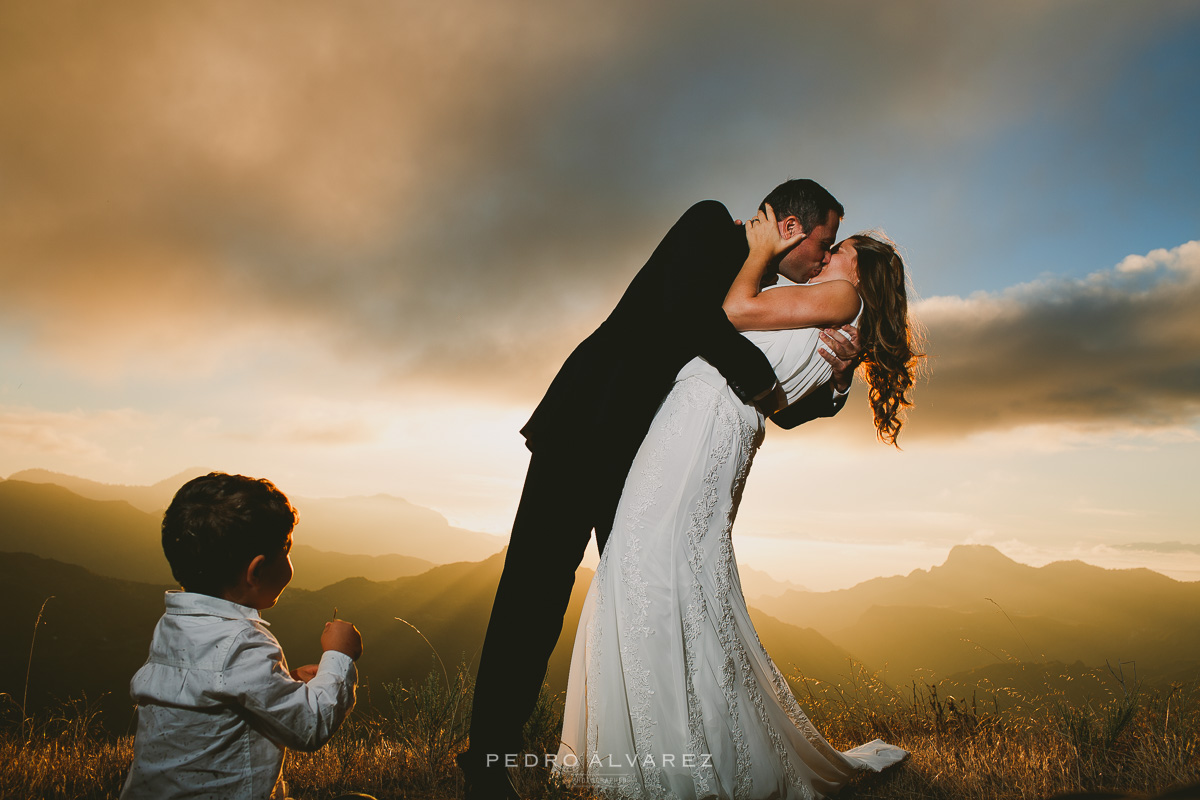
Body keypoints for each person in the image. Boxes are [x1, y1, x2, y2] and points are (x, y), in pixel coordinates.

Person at [460, 180, 862, 799]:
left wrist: (833, 380)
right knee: (532, 597)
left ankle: (652, 753)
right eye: (823, 243)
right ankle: (486, 766)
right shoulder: (706, 226)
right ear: (790, 229)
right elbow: (690, 315)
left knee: (645, 603)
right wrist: (760, 380)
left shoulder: (765, 295)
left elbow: (780, 408)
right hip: (584, 431)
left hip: (646, 467)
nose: (822, 259)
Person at [554, 206, 920, 799]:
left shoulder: (841, 296)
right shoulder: (835, 318)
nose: (828, 258)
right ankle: (661, 742)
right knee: (667, 567)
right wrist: (839, 380)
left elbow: (733, 313)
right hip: (712, 425)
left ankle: (661, 751)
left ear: (863, 272)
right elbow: (785, 400)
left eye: (841, 249)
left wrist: (754, 254)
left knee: (648, 562)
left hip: (702, 422)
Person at [120, 472, 367, 800]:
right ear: (257, 571)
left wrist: (285, 682)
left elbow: (215, 691)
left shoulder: (173, 626)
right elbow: (310, 726)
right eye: (287, 549)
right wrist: (339, 656)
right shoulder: (242, 644)